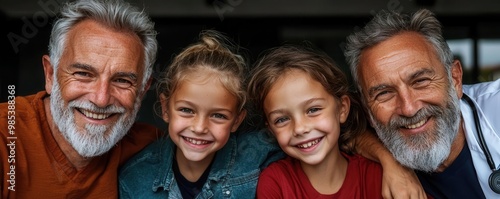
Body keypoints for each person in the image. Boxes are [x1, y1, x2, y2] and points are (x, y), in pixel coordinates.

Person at [0, 0, 160, 198]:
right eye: (83, 73)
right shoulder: (5, 137)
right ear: (50, 75)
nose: (101, 99)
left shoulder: (155, 150)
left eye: (122, 80)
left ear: (142, 91)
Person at [344, 8, 500, 199]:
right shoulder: (367, 171)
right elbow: (333, 129)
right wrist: (387, 160)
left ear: (455, 79)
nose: (409, 108)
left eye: (421, 81)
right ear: (367, 109)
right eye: (384, 93)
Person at [118, 30, 284, 199]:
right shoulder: (135, 179)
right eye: (187, 110)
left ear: (236, 120)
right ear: (166, 108)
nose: (199, 127)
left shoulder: (260, 157)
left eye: (218, 116)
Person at [247, 45, 383, 198]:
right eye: (282, 119)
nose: (299, 128)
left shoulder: (375, 177)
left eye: (313, 110)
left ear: (342, 109)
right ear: (271, 129)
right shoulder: (275, 182)